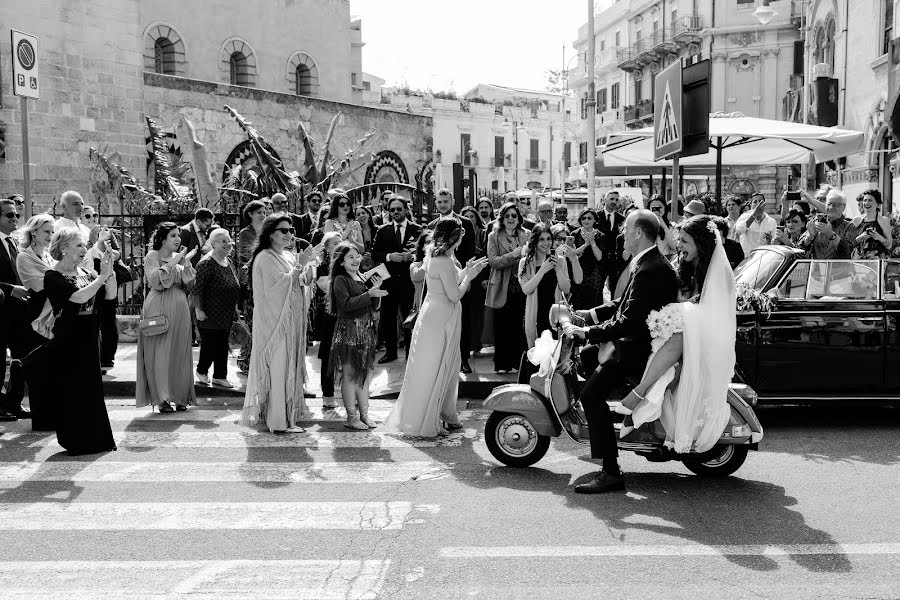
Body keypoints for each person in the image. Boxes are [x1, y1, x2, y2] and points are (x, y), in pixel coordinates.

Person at [561, 210, 678, 494]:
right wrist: (586, 315)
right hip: (633, 343)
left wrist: (587, 332)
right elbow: (622, 303)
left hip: (637, 351)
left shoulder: (653, 268)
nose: (621, 234)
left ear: (638, 233)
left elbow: (630, 321)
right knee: (588, 356)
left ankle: (611, 471)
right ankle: (608, 421)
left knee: (591, 394)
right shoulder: (648, 263)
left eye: (626, 229)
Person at [612, 215, 736, 465]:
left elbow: (714, 317)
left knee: (679, 337)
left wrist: (680, 314)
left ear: (701, 243)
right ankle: (641, 416)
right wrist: (669, 315)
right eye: (679, 240)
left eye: (685, 241)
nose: (679, 246)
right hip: (679, 335)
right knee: (671, 347)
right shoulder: (682, 267)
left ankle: (639, 396)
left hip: (705, 340)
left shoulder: (720, 274)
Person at [385, 218, 488, 437]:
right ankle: (434, 416)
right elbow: (454, 294)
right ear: (455, 237)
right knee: (439, 366)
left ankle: (445, 413)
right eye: (460, 235)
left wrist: (467, 272)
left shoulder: (436, 255)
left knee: (441, 365)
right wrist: (469, 277)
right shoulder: (443, 259)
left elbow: (447, 281)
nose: (462, 239)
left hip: (436, 312)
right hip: (441, 315)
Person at [44, 227, 117, 455]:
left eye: (85, 245)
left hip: (89, 338)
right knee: (71, 390)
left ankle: (96, 439)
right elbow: (77, 298)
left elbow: (110, 296)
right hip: (68, 341)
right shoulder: (52, 276)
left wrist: (109, 272)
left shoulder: (87, 273)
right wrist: (102, 277)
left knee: (91, 389)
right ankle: (75, 440)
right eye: (78, 245)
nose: (84, 249)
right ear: (63, 248)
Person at [242, 214, 317, 433]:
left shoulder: (287, 255)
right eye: (283, 230)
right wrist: (298, 267)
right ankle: (278, 421)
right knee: (278, 369)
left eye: (291, 230)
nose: (289, 234)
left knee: (287, 368)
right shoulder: (264, 257)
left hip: (290, 320)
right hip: (275, 324)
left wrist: (308, 265)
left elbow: (301, 283)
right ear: (270, 234)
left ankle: (286, 417)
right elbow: (275, 291)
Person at [136, 222, 198, 413]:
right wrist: (175, 261)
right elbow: (155, 281)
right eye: (173, 235)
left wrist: (186, 263)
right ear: (162, 238)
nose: (178, 239)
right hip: (158, 308)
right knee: (160, 354)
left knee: (180, 353)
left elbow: (191, 284)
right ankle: (161, 399)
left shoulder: (179, 258)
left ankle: (180, 397)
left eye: (179, 235)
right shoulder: (152, 256)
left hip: (180, 309)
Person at [329, 242, 388, 429]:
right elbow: (346, 305)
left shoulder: (362, 276)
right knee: (350, 375)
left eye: (357, 256)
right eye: (350, 257)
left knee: (364, 375)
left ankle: (364, 415)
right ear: (341, 262)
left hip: (365, 332)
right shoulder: (340, 279)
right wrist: (369, 294)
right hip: (348, 332)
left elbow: (371, 305)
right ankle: (351, 417)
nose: (356, 260)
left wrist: (376, 292)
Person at [428, 189, 477, 373]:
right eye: (439, 202)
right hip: (439, 282)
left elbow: (471, 251)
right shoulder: (431, 225)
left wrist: (467, 276)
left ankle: (464, 359)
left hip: (461, 276)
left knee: (462, 320)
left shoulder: (465, 223)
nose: (442, 205)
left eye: (445, 201)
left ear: (453, 201)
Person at [16, 214, 56, 429]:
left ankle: (51, 414)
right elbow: (39, 285)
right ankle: (41, 418)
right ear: (34, 232)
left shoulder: (48, 256)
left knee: (50, 369)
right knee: (39, 369)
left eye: (52, 232)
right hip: (35, 316)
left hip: (51, 316)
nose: (50, 236)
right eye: (46, 232)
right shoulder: (24, 256)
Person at [372, 196, 421, 363]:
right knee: (388, 318)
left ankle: (411, 353)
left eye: (398, 209)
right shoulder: (382, 230)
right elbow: (375, 253)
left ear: (406, 210)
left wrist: (412, 256)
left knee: (409, 318)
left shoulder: (417, 229)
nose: (395, 212)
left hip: (409, 281)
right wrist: (389, 256)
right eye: (392, 210)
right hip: (389, 281)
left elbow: (424, 252)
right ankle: (390, 352)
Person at [193, 229, 241, 389]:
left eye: (229, 241)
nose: (228, 244)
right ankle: (201, 370)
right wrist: (199, 310)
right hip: (209, 312)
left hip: (226, 313)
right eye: (223, 242)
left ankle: (220, 376)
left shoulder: (228, 261)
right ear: (213, 244)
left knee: (222, 345)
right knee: (210, 345)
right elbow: (197, 289)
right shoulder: (206, 263)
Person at [485, 201, 529, 373]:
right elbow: (493, 261)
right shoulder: (494, 236)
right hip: (502, 286)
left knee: (519, 327)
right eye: (507, 216)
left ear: (518, 218)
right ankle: (502, 365)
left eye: (514, 215)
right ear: (502, 219)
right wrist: (512, 255)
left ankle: (518, 364)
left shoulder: (527, 234)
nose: (511, 218)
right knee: (502, 327)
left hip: (522, 286)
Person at [518, 223, 573, 347]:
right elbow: (526, 290)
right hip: (535, 314)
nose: (546, 243)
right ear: (535, 241)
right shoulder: (525, 262)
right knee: (537, 353)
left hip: (555, 313)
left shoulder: (561, 260)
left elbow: (566, 289)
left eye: (549, 239)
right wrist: (542, 269)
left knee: (555, 354)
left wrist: (558, 269)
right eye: (541, 239)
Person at [0, 199, 29, 421]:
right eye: (9, 215)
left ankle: (15, 402)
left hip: (20, 311)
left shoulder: (17, 243)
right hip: (2, 310)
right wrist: (10, 290)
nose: (15, 219)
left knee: (21, 357)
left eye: (16, 215)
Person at [236, 200, 267, 373]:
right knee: (252, 321)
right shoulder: (245, 233)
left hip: (265, 278)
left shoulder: (267, 230)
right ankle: (246, 361)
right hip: (251, 281)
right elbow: (248, 254)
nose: (263, 215)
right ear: (250, 214)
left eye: (264, 212)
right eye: (259, 212)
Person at [315, 233, 342, 409]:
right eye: (335, 243)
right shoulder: (322, 265)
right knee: (328, 354)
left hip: (347, 313)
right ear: (326, 247)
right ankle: (328, 393)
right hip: (329, 313)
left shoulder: (349, 261)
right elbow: (324, 286)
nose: (339, 245)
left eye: (341, 242)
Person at [798, 189, 855, 259]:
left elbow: (847, 252)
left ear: (843, 207)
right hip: (817, 269)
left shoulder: (849, 226)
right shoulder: (817, 222)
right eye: (829, 204)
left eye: (835, 205)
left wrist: (830, 234)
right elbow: (800, 250)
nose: (831, 207)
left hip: (838, 269)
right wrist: (810, 237)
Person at [571, 207, 605, 309]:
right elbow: (571, 254)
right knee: (577, 305)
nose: (586, 220)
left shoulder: (600, 236)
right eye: (583, 218)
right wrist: (585, 245)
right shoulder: (575, 234)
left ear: (595, 219)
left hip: (595, 275)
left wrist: (592, 242)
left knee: (593, 306)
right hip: (578, 273)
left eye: (589, 218)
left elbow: (599, 257)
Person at [596, 190, 625, 297]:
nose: (614, 201)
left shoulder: (622, 219)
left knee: (615, 289)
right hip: (599, 260)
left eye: (616, 199)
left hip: (615, 260)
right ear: (605, 200)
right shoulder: (596, 217)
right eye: (611, 199)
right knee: (598, 289)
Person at [851, 189, 892, 259]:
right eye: (865, 200)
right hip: (859, 262)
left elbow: (889, 245)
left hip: (878, 262)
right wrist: (861, 237)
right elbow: (848, 244)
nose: (866, 203)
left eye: (870, 200)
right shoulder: (856, 220)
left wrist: (879, 237)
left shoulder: (883, 220)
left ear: (878, 204)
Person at [647, 195, 677, 260]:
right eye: (653, 207)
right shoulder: (644, 226)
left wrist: (664, 227)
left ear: (665, 208)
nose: (656, 210)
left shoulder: (672, 226)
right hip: (649, 262)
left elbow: (675, 247)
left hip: (666, 262)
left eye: (660, 207)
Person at [355, 204, 378, 271]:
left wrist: (373, 254)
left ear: (368, 215)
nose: (361, 215)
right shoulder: (355, 234)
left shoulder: (378, 230)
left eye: (363, 213)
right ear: (356, 218)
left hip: (377, 265)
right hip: (361, 267)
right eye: (358, 214)